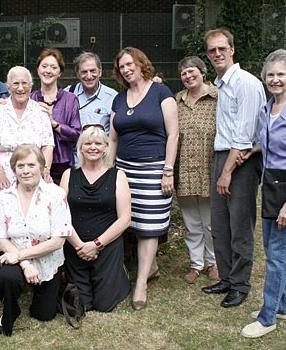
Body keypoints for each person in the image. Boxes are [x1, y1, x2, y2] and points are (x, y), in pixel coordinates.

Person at [200, 28, 265, 308]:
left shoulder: (245, 83)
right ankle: (226, 277)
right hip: (222, 157)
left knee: (239, 226)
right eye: (212, 50)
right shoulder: (222, 83)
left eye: (221, 48)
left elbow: (243, 135)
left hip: (240, 161)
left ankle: (240, 285)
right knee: (220, 225)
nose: (217, 54)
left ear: (232, 49)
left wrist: (227, 172)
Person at [110, 47, 178, 310]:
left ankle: (141, 283)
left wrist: (168, 170)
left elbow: (173, 134)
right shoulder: (119, 98)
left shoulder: (161, 92)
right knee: (130, 221)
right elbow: (113, 137)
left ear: (141, 63)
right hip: (125, 168)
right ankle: (152, 267)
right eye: (122, 66)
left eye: (130, 64)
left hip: (153, 168)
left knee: (149, 223)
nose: (126, 69)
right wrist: (110, 171)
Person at [0, 144, 72, 336]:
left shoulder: (56, 194)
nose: (26, 171)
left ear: (42, 167)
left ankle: (45, 290)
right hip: (16, 258)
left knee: (44, 314)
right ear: (14, 169)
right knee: (8, 277)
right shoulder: (4, 197)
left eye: (31, 165)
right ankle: (10, 311)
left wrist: (19, 255)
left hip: (47, 259)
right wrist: (25, 263)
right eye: (20, 166)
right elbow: (1, 238)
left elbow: (58, 241)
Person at [241, 49, 286, 338]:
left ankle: (267, 317)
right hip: (270, 183)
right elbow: (270, 141)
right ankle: (284, 306)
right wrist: (254, 150)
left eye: (281, 74)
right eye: (270, 74)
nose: (275, 79)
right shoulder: (267, 107)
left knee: (276, 256)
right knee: (274, 252)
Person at [0, 66, 54, 250]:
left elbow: (48, 145)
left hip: (32, 171)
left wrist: (45, 171)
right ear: (8, 86)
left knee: (31, 212)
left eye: (24, 83)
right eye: (15, 83)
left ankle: (33, 253)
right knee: (3, 214)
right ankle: (3, 260)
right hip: (1, 171)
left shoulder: (40, 111)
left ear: (31, 85)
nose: (20, 88)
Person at [60, 125, 131, 312]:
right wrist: (79, 246)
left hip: (107, 245)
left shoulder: (118, 176)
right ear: (80, 148)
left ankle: (119, 274)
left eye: (98, 143)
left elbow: (125, 218)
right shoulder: (69, 175)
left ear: (106, 147)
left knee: (104, 305)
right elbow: (59, 215)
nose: (93, 147)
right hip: (76, 246)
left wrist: (96, 244)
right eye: (88, 143)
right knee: (81, 306)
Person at [175, 56, 219, 284]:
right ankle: (196, 264)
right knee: (191, 221)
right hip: (183, 170)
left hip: (209, 167)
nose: (188, 76)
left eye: (192, 71)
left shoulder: (218, 98)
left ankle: (214, 262)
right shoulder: (177, 101)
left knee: (211, 221)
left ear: (202, 72)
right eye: (183, 73)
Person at [31, 48, 81, 184]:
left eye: (54, 67)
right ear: (38, 69)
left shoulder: (70, 99)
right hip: (33, 165)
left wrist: (54, 124)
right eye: (44, 66)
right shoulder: (30, 99)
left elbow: (77, 134)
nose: (48, 71)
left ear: (60, 72)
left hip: (63, 167)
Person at [65, 52, 118, 134]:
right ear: (78, 74)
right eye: (84, 72)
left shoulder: (113, 97)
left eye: (93, 71)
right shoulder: (68, 94)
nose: (89, 76)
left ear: (100, 72)